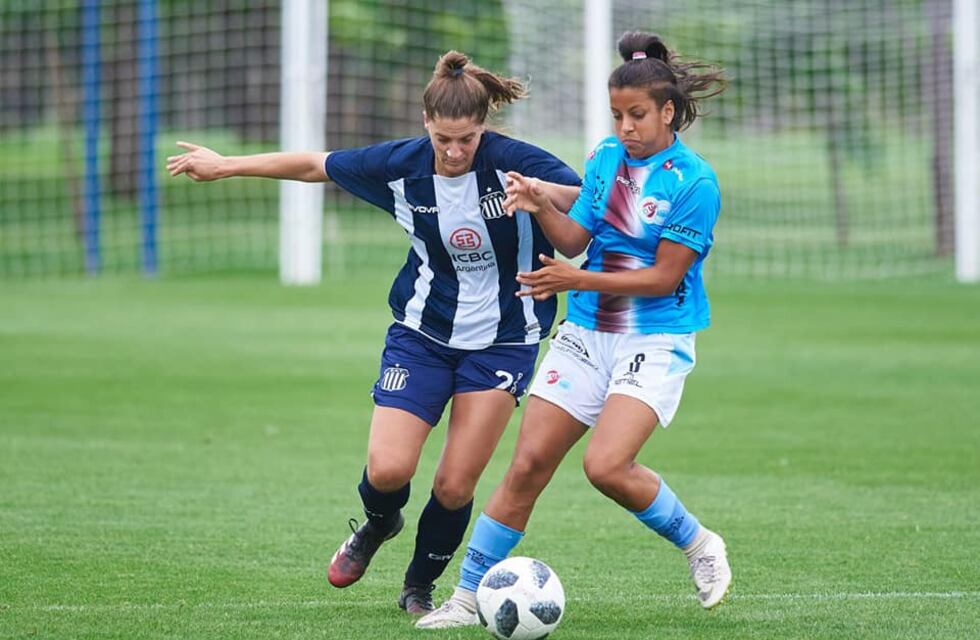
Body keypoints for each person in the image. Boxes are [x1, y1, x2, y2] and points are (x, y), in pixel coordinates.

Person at [167, 51, 581, 616]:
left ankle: (418, 588)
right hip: (422, 333)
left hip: (506, 341)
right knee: (388, 469)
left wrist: (543, 195)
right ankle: (379, 523)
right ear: (425, 125)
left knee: (455, 485)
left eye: (467, 139)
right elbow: (317, 164)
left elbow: (585, 204)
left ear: (483, 128)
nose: (455, 152)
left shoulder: (518, 163)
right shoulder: (401, 165)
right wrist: (228, 164)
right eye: (443, 140)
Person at [416, 32, 730, 630]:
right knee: (528, 463)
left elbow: (664, 278)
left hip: (654, 339)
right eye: (617, 115)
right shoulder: (606, 158)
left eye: (636, 115)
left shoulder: (694, 183)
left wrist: (574, 281)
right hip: (587, 332)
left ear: (668, 112)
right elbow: (576, 238)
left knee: (607, 466)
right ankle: (463, 599)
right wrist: (538, 203)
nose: (625, 127)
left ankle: (700, 546)